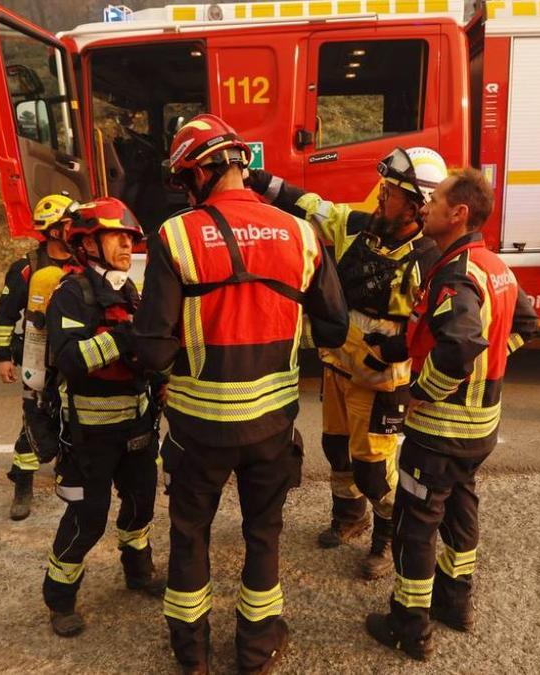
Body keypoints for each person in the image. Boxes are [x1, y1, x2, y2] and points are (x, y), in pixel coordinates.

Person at [133, 114, 348, 674]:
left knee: (189, 536)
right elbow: (334, 328)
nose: (184, 191)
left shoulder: (176, 235)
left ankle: (192, 654)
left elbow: (153, 351)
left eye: (185, 180)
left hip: (197, 429)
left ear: (201, 172)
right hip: (272, 428)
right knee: (263, 535)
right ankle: (256, 653)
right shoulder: (301, 233)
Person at [247, 146, 447, 580]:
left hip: (381, 381)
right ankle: (350, 517)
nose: (380, 197)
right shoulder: (357, 229)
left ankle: (388, 535)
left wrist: (420, 379)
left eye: (391, 193)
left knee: (375, 468)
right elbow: (312, 206)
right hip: (338, 366)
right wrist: (262, 182)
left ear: (418, 205)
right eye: (384, 188)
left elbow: (438, 330)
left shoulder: (429, 259)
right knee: (336, 450)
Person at [363, 169, 538, 660]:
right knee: (460, 511)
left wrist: (423, 392)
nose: (426, 206)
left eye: (435, 200)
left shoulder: (456, 273)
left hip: (440, 432)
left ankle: (409, 626)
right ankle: (454, 604)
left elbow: (460, 346)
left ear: (459, 213)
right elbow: (525, 323)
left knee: (415, 524)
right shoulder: (493, 266)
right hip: (479, 428)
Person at [42, 197, 164, 638]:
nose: (127, 245)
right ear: (87, 243)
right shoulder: (70, 294)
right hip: (88, 436)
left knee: (140, 505)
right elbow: (71, 359)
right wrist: (126, 336)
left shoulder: (129, 289)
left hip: (137, 428)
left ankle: (138, 571)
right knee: (87, 519)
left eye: (130, 238)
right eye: (117, 236)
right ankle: (60, 599)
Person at [0, 194, 76, 520]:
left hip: (71, 356)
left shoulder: (80, 263)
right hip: (37, 357)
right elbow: (5, 315)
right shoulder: (27, 268)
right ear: (55, 230)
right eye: (71, 224)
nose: (77, 229)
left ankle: (65, 470)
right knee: (35, 420)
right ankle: (22, 484)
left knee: (72, 417)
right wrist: (2, 356)